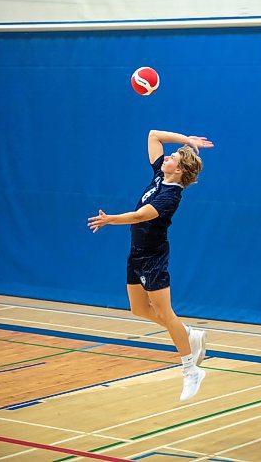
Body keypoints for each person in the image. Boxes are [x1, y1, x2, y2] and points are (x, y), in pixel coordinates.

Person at [87, 130, 214, 400]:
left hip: (153, 257)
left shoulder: (171, 197)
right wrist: (187, 141)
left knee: (165, 313)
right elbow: (153, 135)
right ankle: (188, 333)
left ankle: (191, 370)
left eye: (173, 157)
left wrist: (110, 219)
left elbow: (139, 216)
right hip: (137, 252)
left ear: (179, 170)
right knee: (138, 309)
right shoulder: (160, 175)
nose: (167, 156)